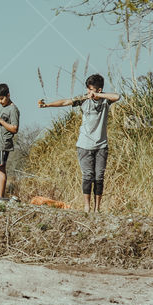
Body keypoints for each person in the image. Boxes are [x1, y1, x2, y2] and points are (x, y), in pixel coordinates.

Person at [39, 73, 120, 213]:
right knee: (88, 175)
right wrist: (47, 105)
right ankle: (87, 207)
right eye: (88, 89)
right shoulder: (83, 100)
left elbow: (117, 96)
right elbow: (65, 102)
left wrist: (99, 96)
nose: (88, 92)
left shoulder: (106, 101)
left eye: (91, 89)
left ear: (99, 90)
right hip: (84, 145)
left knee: (99, 176)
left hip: (101, 145)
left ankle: (97, 208)